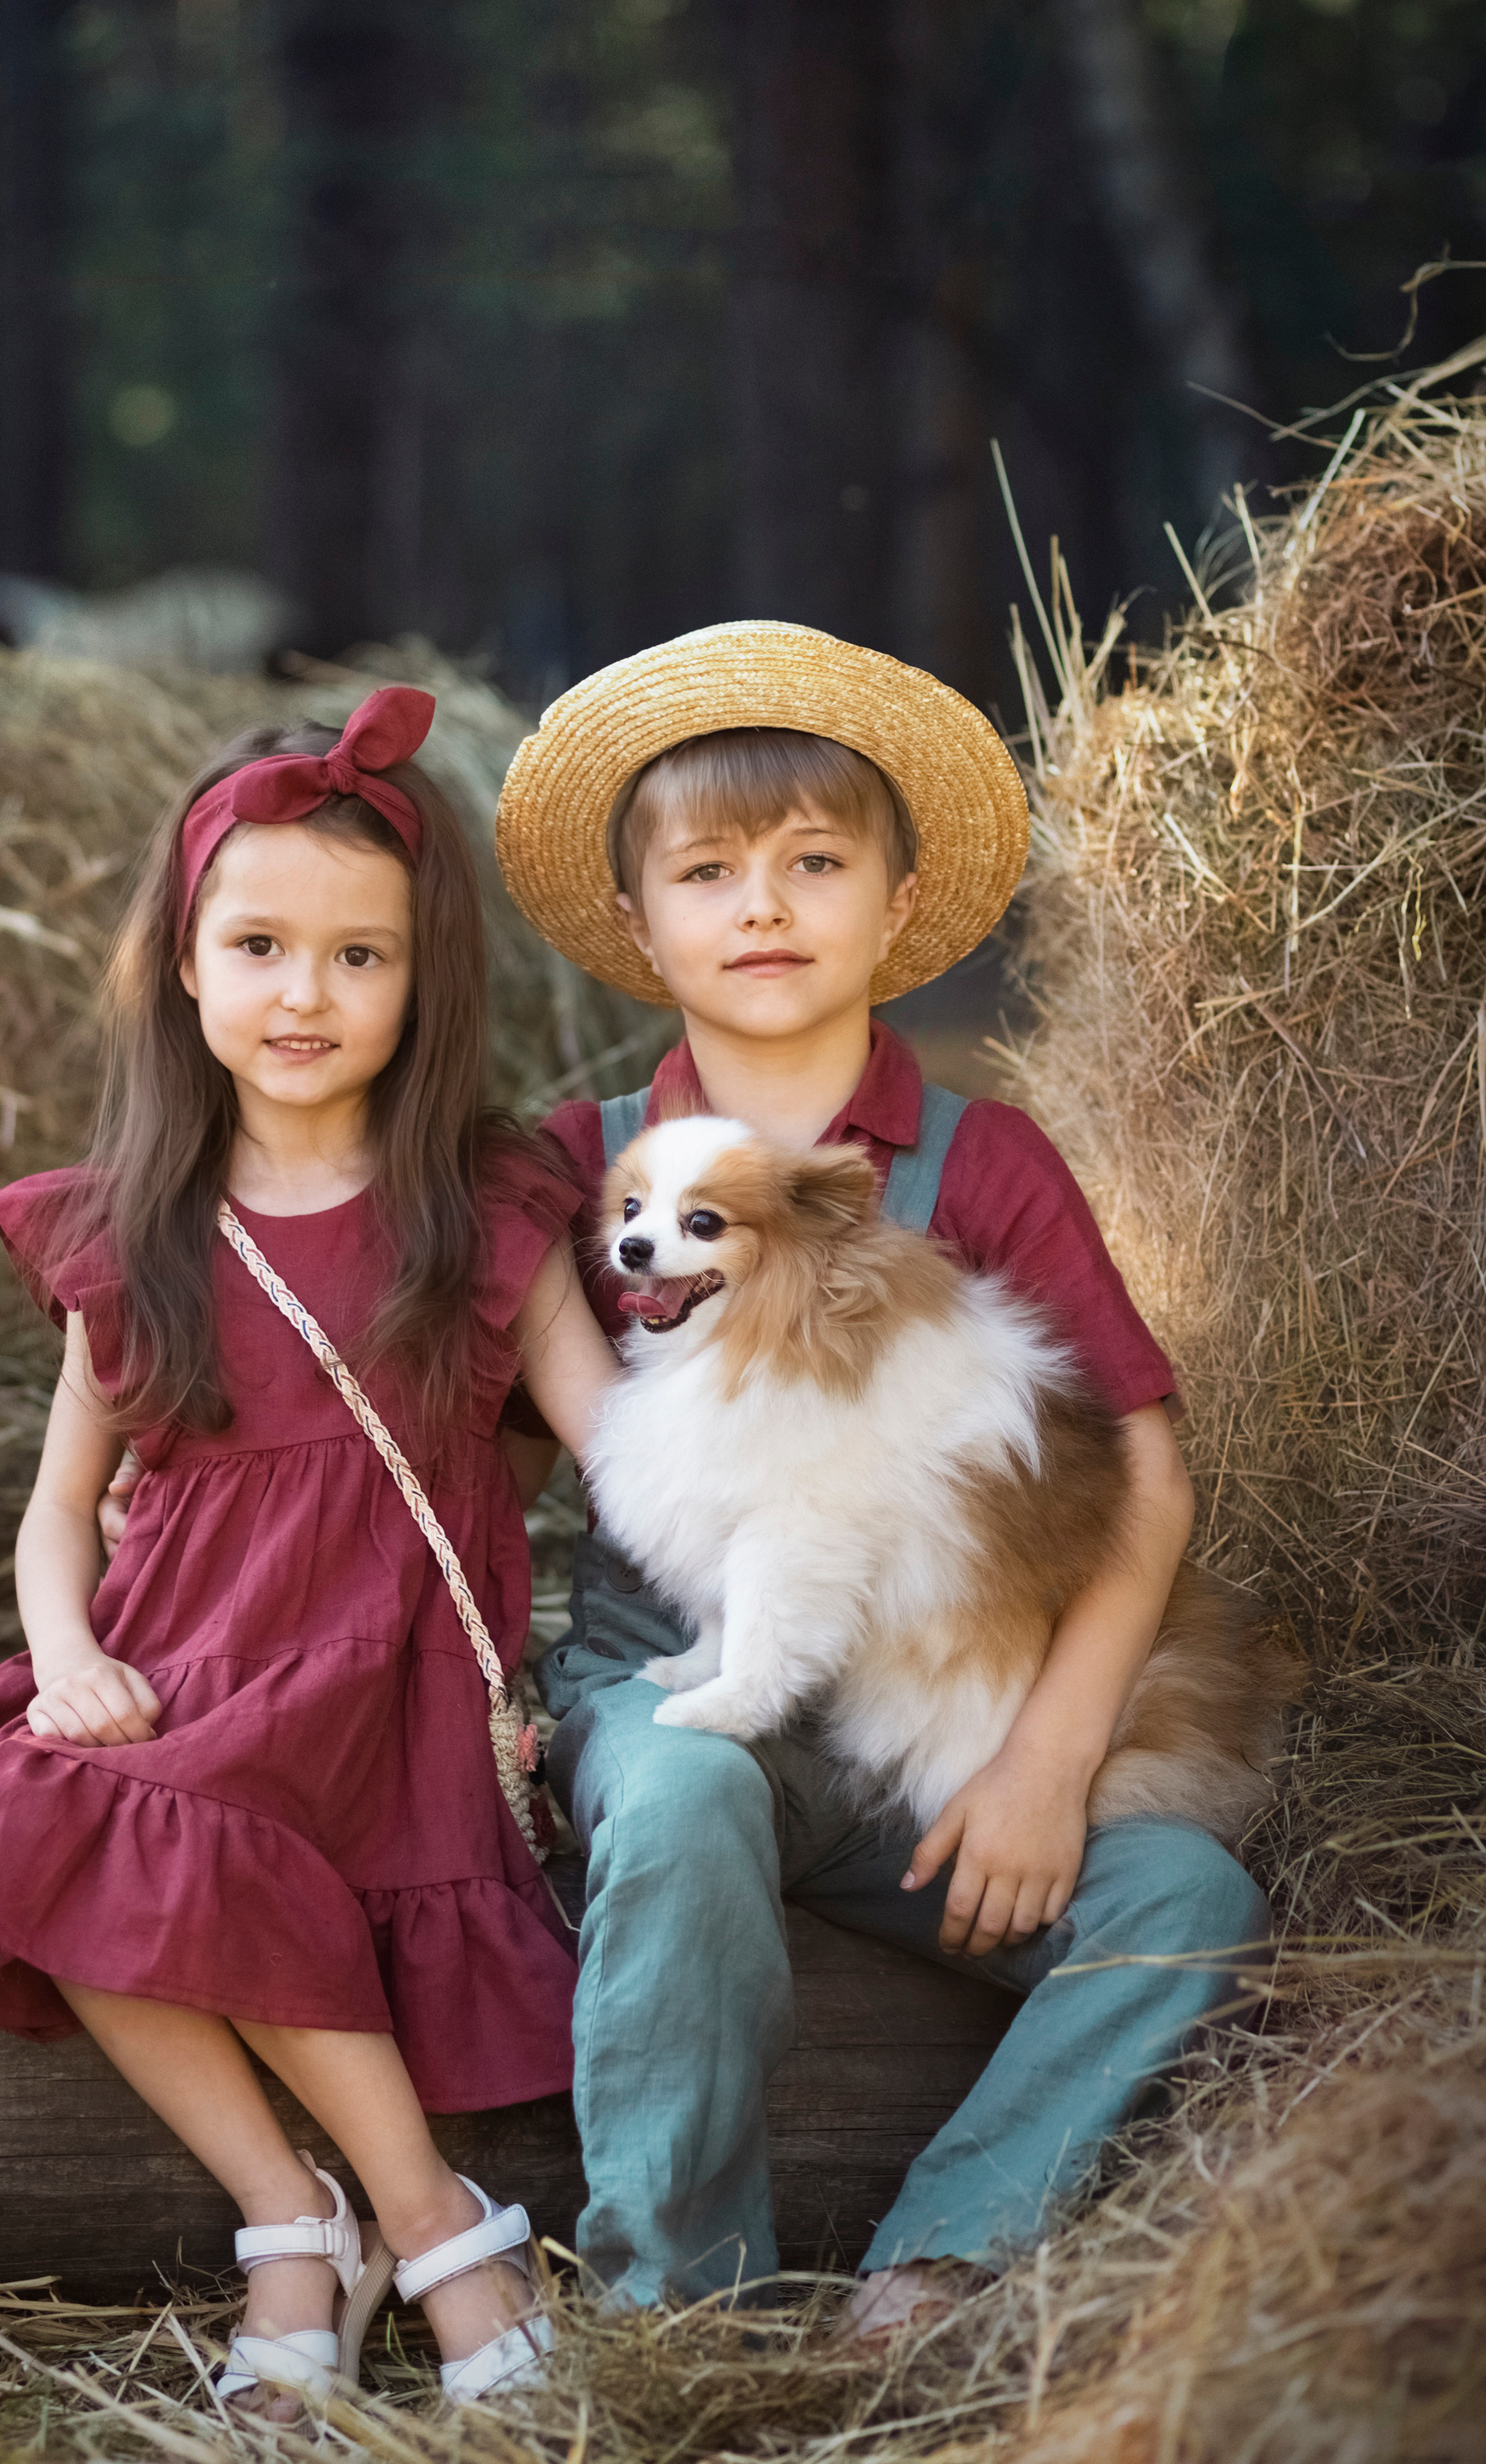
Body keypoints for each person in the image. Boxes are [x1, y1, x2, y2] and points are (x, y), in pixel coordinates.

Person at [489, 618, 1270, 2337]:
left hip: (932, 1713)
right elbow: (472, 1420)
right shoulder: (575, 1155)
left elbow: (1143, 1477)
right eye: (707, 871)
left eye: (812, 862)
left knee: (1186, 1897)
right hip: (679, 1687)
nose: (760, 905)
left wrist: (1048, 1761)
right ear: (639, 923)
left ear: (896, 902)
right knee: (689, 1798)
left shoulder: (978, 1161)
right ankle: (671, 2308)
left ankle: (936, 2261)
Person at [0, 687, 620, 2417]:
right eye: (261, 945)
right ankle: (309, 2216)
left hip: (379, 1684)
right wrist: (66, 1657)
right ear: (182, 963)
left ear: (422, 985)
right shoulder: (131, 1227)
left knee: (197, 1822)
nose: (304, 994)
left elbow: (621, 1453)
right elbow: (60, 1505)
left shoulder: (485, 1217)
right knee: (32, 1809)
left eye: (359, 959)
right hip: (183, 1664)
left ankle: (419, 2223)